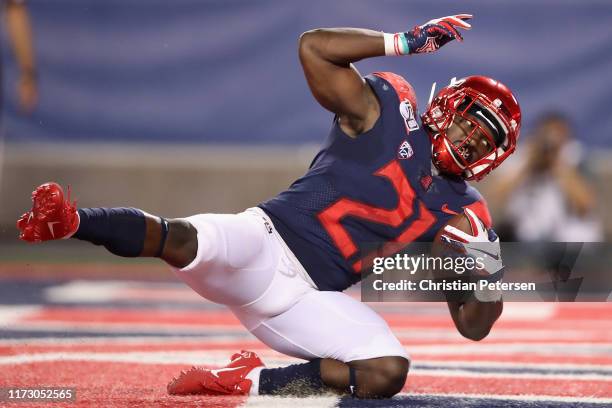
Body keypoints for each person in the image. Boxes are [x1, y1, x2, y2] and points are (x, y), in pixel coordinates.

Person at [16, 14, 521, 399]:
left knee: (387, 372)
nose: (473, 139)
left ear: (493, 158)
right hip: (264, 244)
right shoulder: (388, 108)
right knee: (181, 239)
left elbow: (474, 327)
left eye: (487, 139)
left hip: (312, 300)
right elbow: (315, 49)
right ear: (449, 106)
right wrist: (401, 43)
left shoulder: (467, 213)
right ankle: (72, 220)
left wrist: (485, 269)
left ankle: (250, 380)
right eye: (472, 122)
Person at [494, 112, 601, 242]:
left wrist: (557, 163)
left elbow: (585, 205)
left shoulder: (574, 158)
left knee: (579, 235)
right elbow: (494, 200)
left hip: (563, 233)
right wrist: (529, 163)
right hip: (521, 230)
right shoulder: (520, 155)